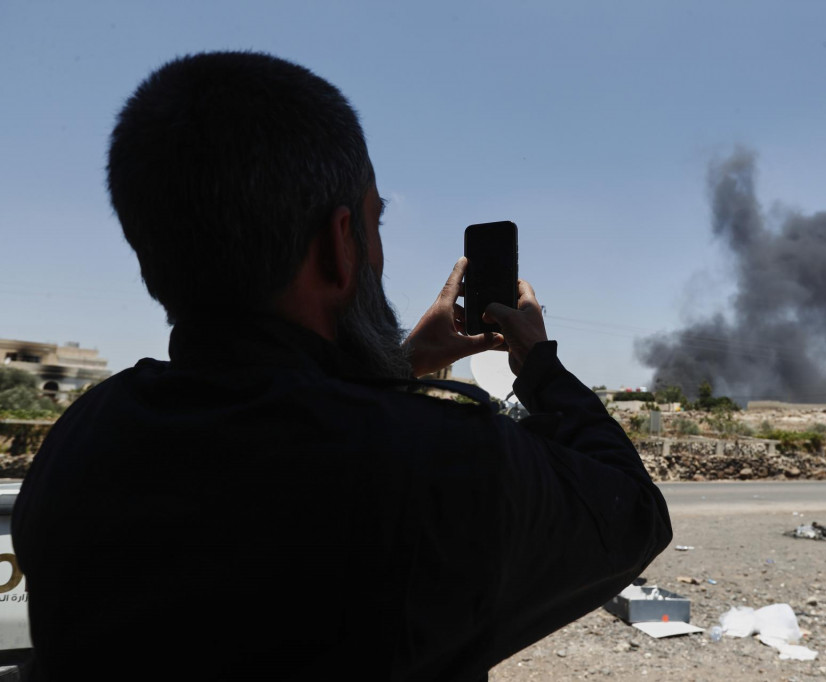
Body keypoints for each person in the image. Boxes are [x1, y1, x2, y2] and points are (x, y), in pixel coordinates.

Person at [11, 52, 672, 681]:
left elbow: (282, 425)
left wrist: (404, 363)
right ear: (339, 244)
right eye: (373, 223)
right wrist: (538, 360)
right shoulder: (441, 469)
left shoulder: (84, 441)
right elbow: (629, 510)